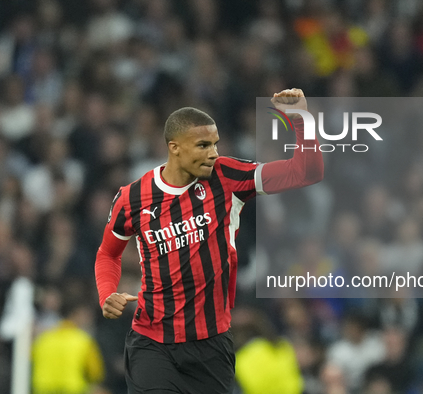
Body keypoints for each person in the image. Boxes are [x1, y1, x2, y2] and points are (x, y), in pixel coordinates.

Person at [94, 88, 323, 393]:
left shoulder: (226, 177)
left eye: (215, 144)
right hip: (152, 342)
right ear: (174, 148)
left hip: (211, 346)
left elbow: (306, 171)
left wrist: (301, 121)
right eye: (203, 145)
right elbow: (108, 254)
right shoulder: (131, 198)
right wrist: (107, 292)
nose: (213, 153)